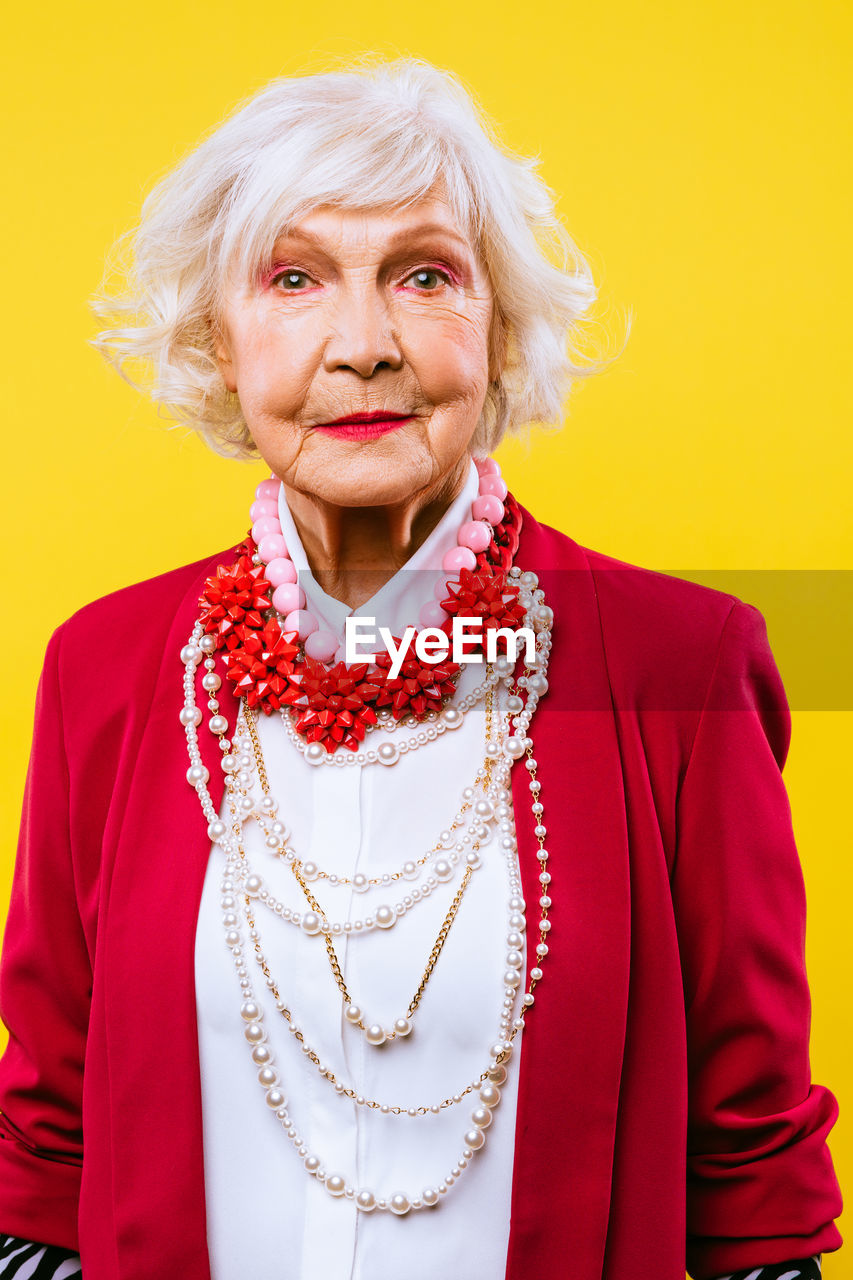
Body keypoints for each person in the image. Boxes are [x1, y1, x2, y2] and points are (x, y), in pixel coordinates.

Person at [0, 58, 842, 1280]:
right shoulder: (107, 670)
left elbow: (752, 1177)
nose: (362, 346)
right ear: (218, 341)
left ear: (497, 331)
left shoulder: (685, 666)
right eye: (292, 279)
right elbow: (47, 1155)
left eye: (425, 276)